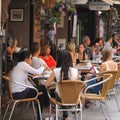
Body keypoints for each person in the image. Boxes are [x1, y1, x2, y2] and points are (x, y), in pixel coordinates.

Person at [10, 50, 50, 119]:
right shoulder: (23, 64)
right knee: (43, 87)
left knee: (40, 93)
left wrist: (35, 89)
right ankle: (47, 107)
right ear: (26, 58)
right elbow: (37, 72)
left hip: (17, 92)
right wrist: (44, 66)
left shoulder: (19, 65)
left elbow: (26, 82)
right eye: (31, 58)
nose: (32, 60)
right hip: (20, 93)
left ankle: (40, 117)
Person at [45, 50, 78, 120]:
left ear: (59, 59)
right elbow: (77, 85)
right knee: (66, 93)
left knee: (59, 93)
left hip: (60, 99)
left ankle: (64, 116)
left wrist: (56, 83)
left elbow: (46, 84)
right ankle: (65, 116)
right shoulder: (75, 71)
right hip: (73, 98)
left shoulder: (56, 71)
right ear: (70, 59)